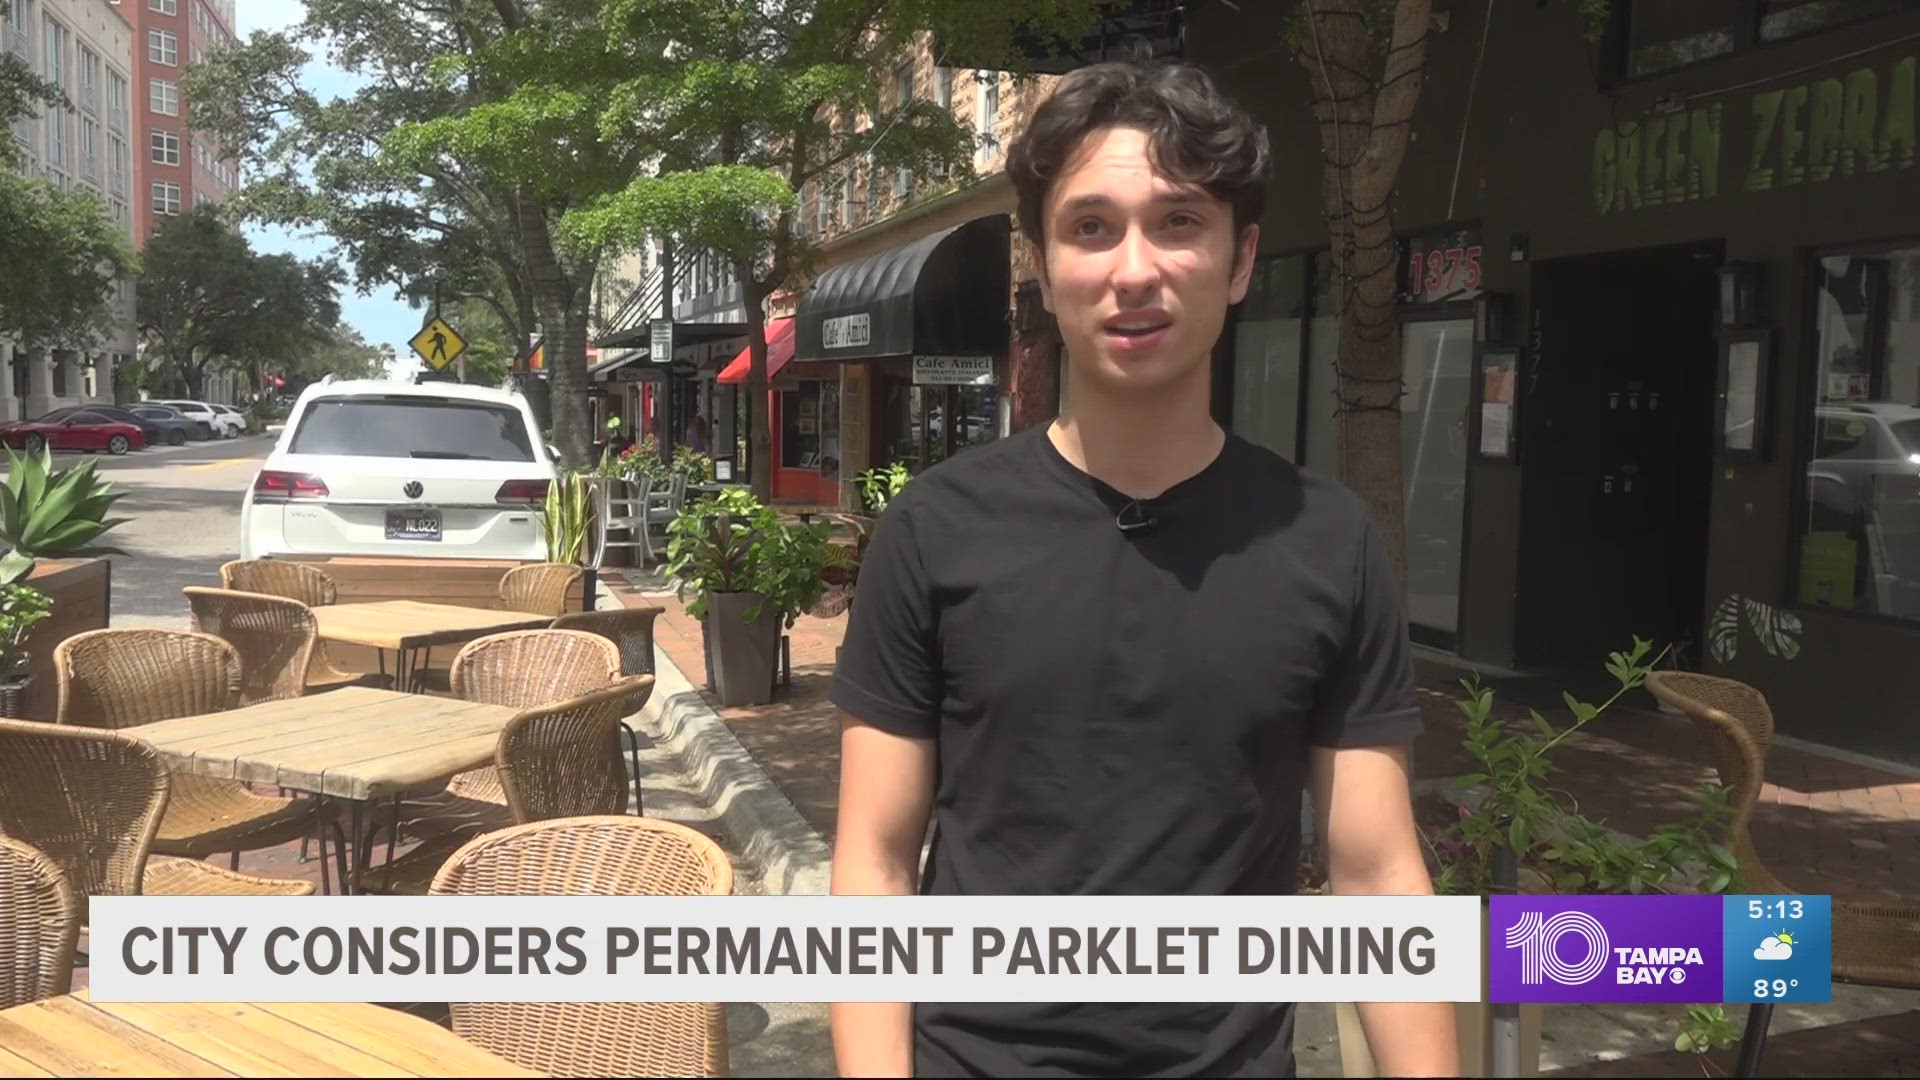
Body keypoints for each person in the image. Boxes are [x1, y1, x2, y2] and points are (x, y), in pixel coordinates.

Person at [828, 60, 1458, 1079]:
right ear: (1038, 262)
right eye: (1091, 226)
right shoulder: (937, 529)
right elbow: (873, 862)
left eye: (1177, 222)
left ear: (1239, 259)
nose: (1133, 269)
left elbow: (1379, 877)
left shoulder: (1327, 541)